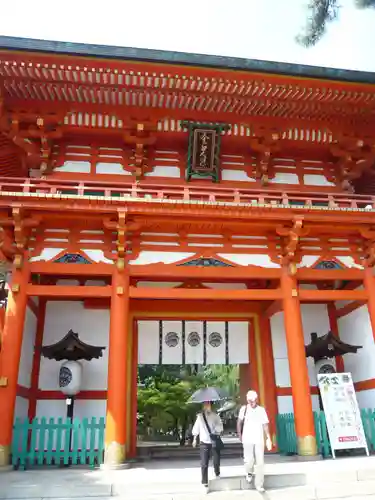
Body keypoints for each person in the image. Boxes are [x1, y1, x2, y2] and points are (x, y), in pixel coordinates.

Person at [237, 390, 272, 493]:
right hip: (247, 439)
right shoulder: (243, 409)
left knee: (260, 462)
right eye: (250, 400)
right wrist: (240, 435)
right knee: (249, 460)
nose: (252, 402)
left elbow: (265, 425)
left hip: (258, 439)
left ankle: (259, 484)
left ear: (256, 399)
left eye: (254, 400)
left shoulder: (261, 410)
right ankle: (249, 472)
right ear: (247, 400)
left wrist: (268, 438)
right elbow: (239, 422)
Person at [192, 400, 223, 492]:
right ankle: (205, 483)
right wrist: (194, 439)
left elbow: (220, 427)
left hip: (213, 441)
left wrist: (215, 430)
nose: (206, 406)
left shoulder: (215, 416)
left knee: (216, 460)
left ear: (211, 405)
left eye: (208, 404)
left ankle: (217, 473)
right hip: (204, 442)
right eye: (205, 404)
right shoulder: (200, 417)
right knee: (204, 463)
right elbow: (196, 428)